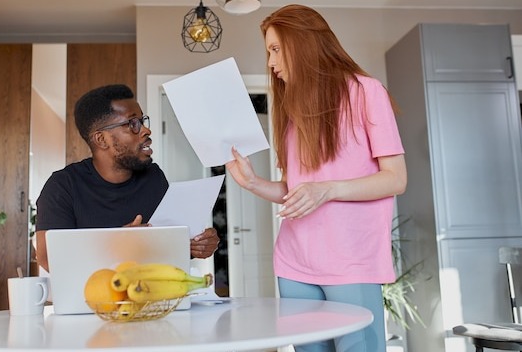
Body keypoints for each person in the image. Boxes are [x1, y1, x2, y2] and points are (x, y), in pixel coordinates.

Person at [225, 5, 407, 352]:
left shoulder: (367, 92)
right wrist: (252, 182)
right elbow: (296, 191)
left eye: (276, 49)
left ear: (303, 43)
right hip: (294, 264)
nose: (271, 63)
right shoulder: (291, 111)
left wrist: (328, 190)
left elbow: (395, 179)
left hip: (352, 263)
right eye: (269, 52)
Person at [35, 84, 219, 273]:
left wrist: (196, 244)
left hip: (153, 296)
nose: (146, 131)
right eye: (132, 124)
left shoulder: (153, 177)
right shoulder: (63, 186)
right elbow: (48, 258)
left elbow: (167, 243)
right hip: (91, 299)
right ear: (101, 139)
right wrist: (120, 243)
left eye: (142, 121)